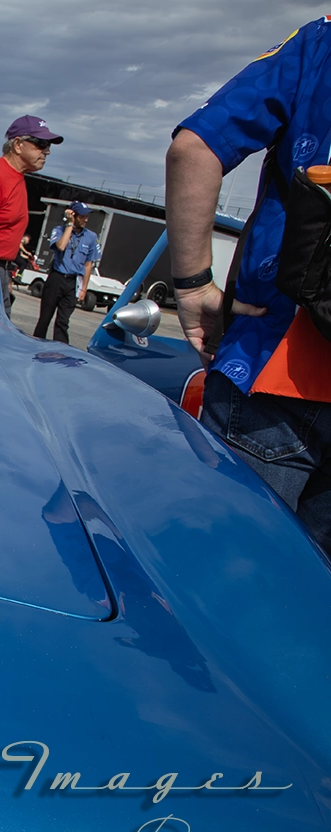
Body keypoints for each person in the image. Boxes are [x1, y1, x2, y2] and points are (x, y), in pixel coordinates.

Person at [168, 16, 331, 555]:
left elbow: (195, 148)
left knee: (223, 573)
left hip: (279, 369)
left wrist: (192, 288)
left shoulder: (321, 42)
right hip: (277, 378)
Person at [0, 115, 62, 313]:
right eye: (41, 143)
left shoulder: (17, 177)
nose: (47, 151)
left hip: (0, 270)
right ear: (18, 145)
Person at [32, 201, 100, 342]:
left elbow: (88, 264)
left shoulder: (91, 237)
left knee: (63, 321)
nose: (86, 220)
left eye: (87, 216)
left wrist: (84, 289)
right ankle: (36, 343)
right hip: (56, 279)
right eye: (82, 216)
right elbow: (61, 246)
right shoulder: (59, 230)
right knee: (45, 318)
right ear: (73, 215)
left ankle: (60, 350)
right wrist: (69, 224)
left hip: (71, 282)